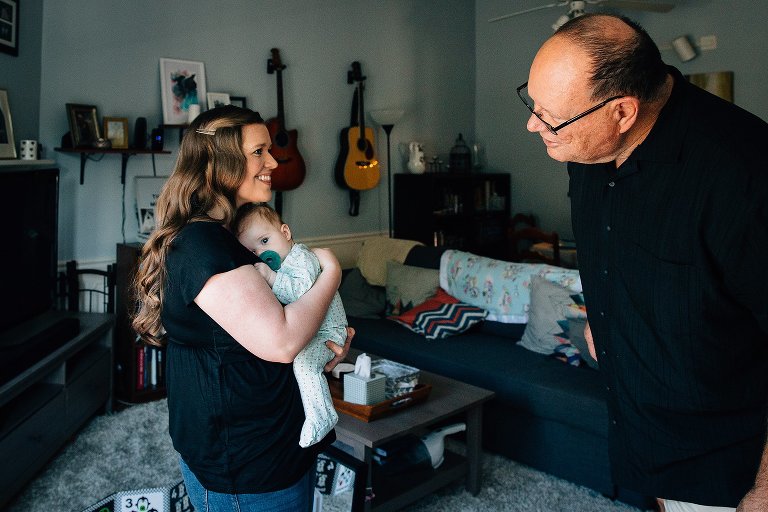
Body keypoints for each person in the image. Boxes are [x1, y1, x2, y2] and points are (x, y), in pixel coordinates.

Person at [519, 13, 768, 512]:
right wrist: (607, 312)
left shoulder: (745, 173)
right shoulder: (585, 149)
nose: (532, 124)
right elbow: (615, 253)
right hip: (638, 433)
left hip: (727, 466)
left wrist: (763, 491)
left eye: (550, 115)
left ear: (622, 112)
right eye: (532, 102)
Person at [131, 105, 353, 512]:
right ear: (219, 162)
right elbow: (282, 340)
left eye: (270, 150)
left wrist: (319, 345)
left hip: (260, 447)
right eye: (258, 152)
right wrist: (332, 273)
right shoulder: (203, 245)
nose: (271, 162)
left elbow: (247, 340)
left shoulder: (224, 237)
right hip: (250, 464)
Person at [233, 202, 347, 448]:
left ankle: (322, 416)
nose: (262, 253)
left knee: (305, 366)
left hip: (327, 333)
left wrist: (270, 277)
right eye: (253, 251)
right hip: (313, 331)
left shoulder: (300, 258)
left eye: (265, 241)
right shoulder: (284, 265)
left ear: (285, 233)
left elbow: (302, 292)